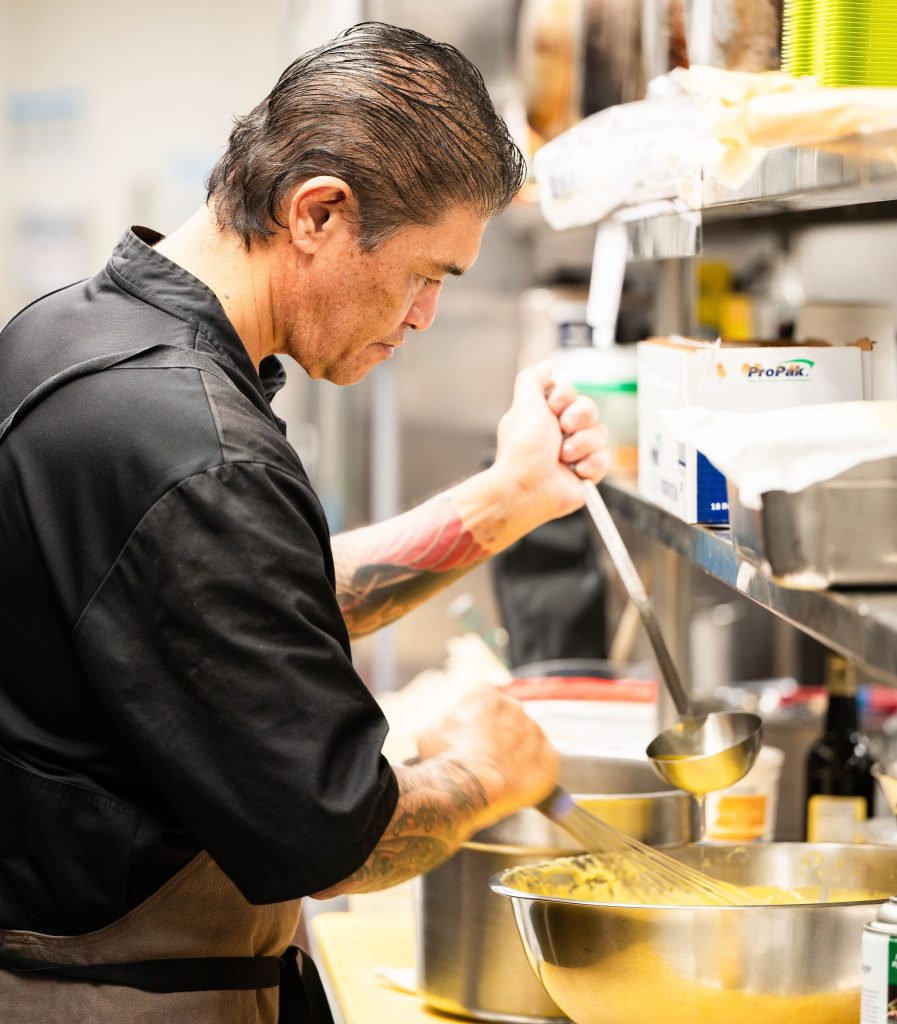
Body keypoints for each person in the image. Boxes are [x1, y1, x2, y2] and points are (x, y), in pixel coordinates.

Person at [0, 21, 608, 1024]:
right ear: (318, 212)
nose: (423, 316)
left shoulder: (66, 332)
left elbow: (232, 607)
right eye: (426, 274)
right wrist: (489, 770)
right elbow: (331, 840)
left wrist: (510, 499)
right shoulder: (202, 449)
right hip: (112, 997)